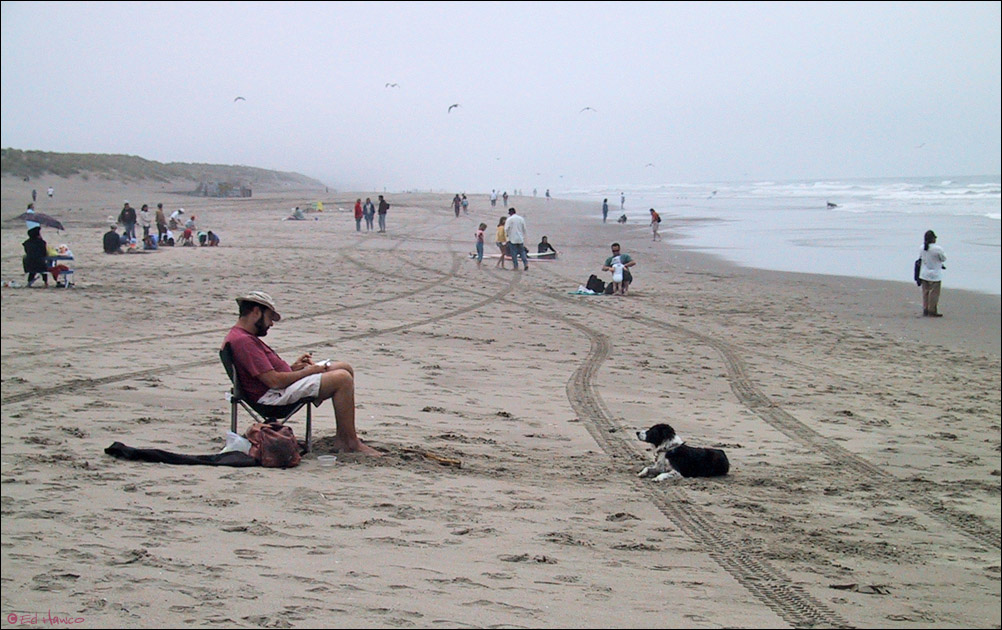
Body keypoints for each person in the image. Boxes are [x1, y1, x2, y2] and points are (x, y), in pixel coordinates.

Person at [223, 291, 381, 455]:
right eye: (270, 317)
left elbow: (265, 374)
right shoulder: (243, 341)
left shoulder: (243, 337)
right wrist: (309, 371)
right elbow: (274, 381)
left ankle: (344, 435)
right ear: (256, 312)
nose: (271, 323)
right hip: (271, 398)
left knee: (344, 367)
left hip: (275, 390)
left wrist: (293, 369)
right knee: (343, 379)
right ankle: (349, 442)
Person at [918, 230, 946, 317]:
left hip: (924, 273)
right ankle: (932, 310)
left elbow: (921, 258)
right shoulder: (938, 249)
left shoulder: (922, 247)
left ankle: (925, 308)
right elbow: (943, 258)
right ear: (933, 239)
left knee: (925, 292)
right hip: (935, 274)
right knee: (934, 293)